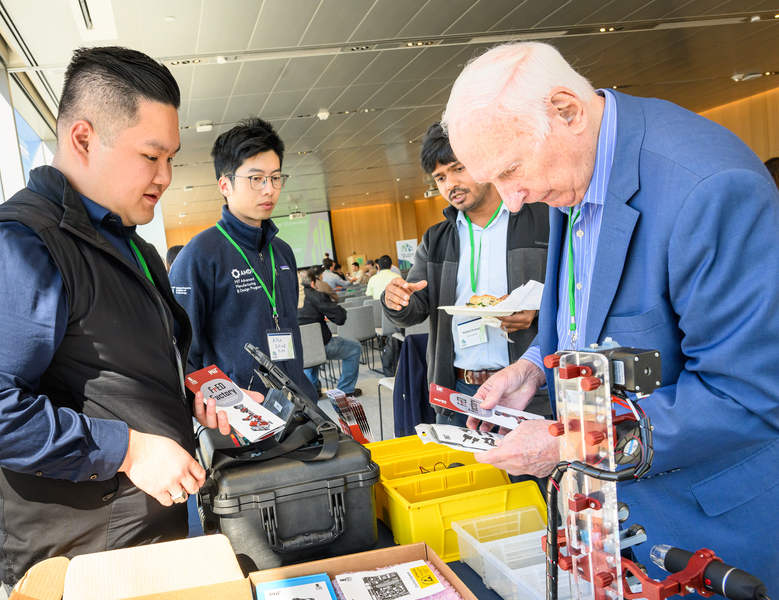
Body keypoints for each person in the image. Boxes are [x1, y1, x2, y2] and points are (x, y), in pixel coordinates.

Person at [442, 41, 779, 586]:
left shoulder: (709, 189)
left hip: (707, 530)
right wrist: (533, 364)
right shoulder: (571, 166)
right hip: (610, 519)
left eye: (511, 171)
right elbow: (581, 306)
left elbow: (748, 393)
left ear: (567, 110)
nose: (512, 200)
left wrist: (568, 443)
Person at [0, 47, 233, 588]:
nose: (165, 176)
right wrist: (129, 449)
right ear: (84, 139)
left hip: (146, 540)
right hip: (79, 566)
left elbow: (112, 374)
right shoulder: (17, 248)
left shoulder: (125, 242)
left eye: (172, 158)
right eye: (151, 155)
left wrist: (198, 396)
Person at [382, 122, 549, 427]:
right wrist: (397, 300)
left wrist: (540, 311)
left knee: (528, 475)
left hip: (527, 389)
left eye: (458, 169)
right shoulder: (436, 239)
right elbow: (415, 306)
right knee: (466, 473)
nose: (451, 184)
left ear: (485, 163)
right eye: (441, 177)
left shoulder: (541, 219)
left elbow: (577, 292)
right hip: (460, 391)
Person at [171, 118, 316, 400]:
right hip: (240, 415)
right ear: (225, 185)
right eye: (256, 178)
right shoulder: (200, 255)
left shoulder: (282, 252)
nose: (269, 189)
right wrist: (219, 401)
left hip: (295, 408)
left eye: (275, 177)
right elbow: (180, 351)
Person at [298, 270, 363, 398]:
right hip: (322, 347)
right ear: (313, 283)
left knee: (306, 347)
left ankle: (313, 389)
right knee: (355, 347)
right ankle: (346, 389)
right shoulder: (316, 295)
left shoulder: (285, 300)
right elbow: (340, 318)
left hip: (297, 351)